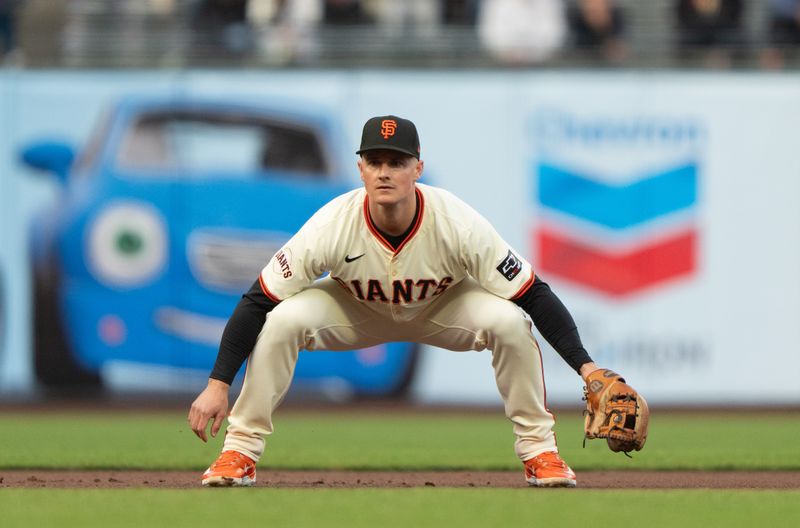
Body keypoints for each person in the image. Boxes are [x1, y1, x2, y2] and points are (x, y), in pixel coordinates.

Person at [188, 114, 600, 488]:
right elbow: (257, 300)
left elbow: (533, 292)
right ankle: (239, 451)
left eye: (397, 163)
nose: (385, 173)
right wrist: (216, 385)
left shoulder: (456, 221)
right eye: (375, 162)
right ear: (361, 169)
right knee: (281, 320)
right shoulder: (333, 223)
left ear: (417, 169)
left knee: (510, 322)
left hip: (442, 307)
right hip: (354, 309)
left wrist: (588, 369)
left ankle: (539, 452)